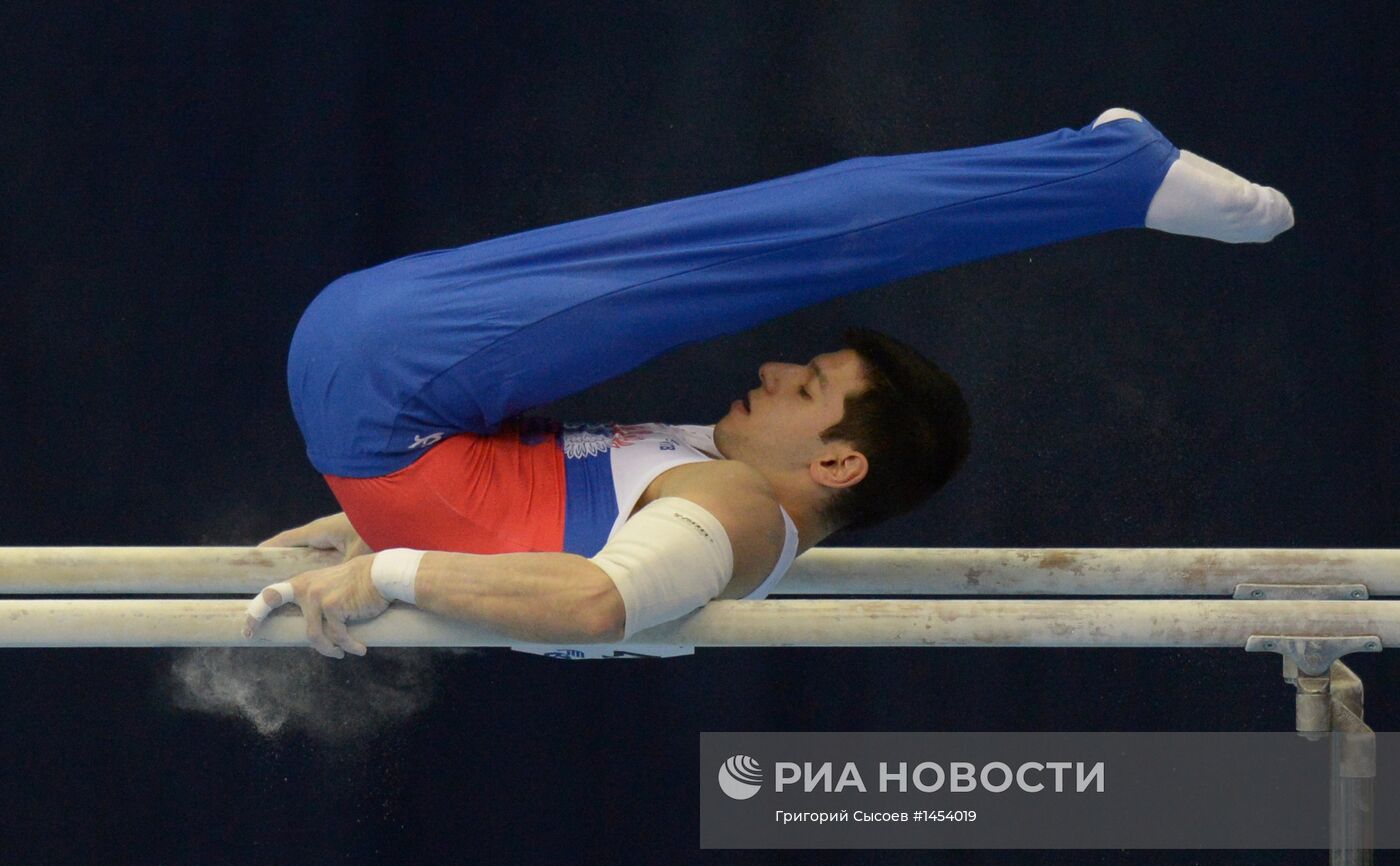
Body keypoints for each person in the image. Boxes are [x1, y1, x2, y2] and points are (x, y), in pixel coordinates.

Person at [243, 107, 1294, 659]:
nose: (772, 370)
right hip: (388, 398)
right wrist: (372, 530)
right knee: (781, 233)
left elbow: (597, 606)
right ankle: (1101, 167)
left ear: (836, 459)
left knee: (788, 238)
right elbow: (533, 508)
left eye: (810, 385)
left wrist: (388, 569)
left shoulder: (729, 507)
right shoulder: (710, 470)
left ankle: (1109, 172)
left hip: (388, 389)